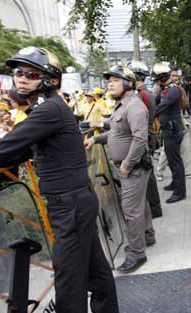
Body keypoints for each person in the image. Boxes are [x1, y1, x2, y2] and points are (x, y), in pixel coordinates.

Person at [0, 46, 119, 313]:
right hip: (74, 202)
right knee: (96, 271)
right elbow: (21, 150)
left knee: (69, 283)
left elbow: (3, 147)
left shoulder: (48, 110)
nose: (21, 78)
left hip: (70, 206)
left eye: (31, 74)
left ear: (51, 80)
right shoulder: (46, 110)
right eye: (18, 72)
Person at [84, 65, 155, 273]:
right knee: (141, 206)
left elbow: (140, 138)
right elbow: (117, 134)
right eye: (108, 82)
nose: (109, 85)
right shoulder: (122, 106)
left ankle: (136, 254)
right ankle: (147, 237)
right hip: (130, 168)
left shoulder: (134, 106)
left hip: (133, 168)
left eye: (114, 81)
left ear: (127, 83)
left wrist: (127, 164)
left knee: (131, 210)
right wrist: (96, 138)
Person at [127, 60, 163, 218]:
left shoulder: (141, 95)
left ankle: (154, 209)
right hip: (148, 134)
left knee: (148, 176)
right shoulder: (144, 93)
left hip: (144, 135)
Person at [153, 62, 186, 203]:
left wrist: (147, 116)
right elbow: (155, 100)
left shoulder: (173, 90)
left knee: (175, 161)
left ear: (160, 78)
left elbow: (160, 107)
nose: (155, 82)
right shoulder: (165, 89)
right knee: (172, 161)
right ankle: (175, 183)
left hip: (172, 130)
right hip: (168, 129)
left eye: (156, 80)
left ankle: (180, 192)